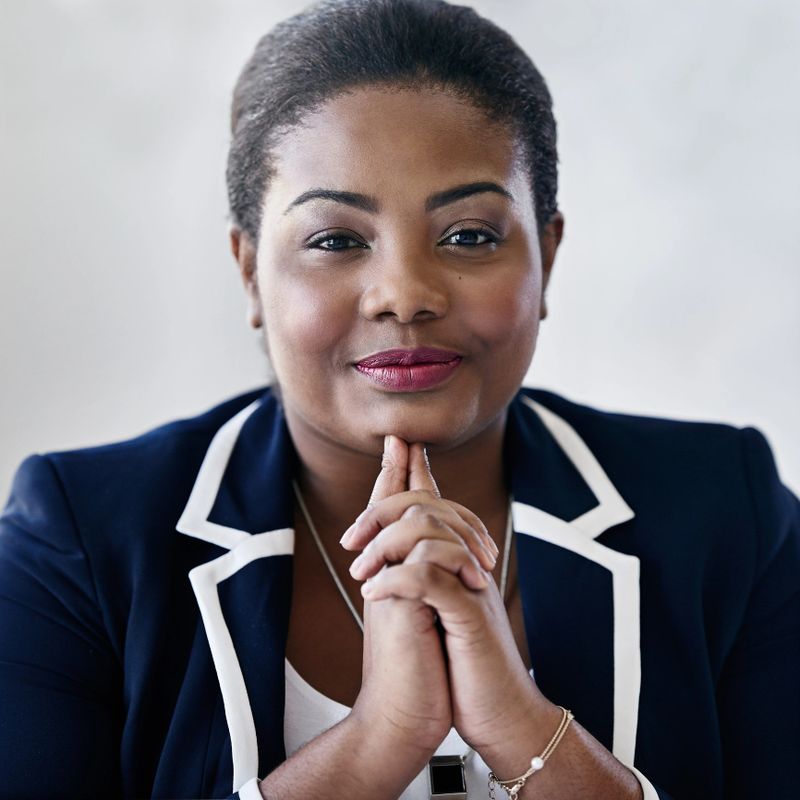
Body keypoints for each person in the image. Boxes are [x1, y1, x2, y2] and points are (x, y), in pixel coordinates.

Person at [0, 0, 797, 798]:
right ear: (249, 270)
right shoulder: (77, 541)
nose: (405, 295)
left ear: (547, 258)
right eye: (337, 240)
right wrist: (379, 740)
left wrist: (525, 729)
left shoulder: (728, 511)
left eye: (470, 236)